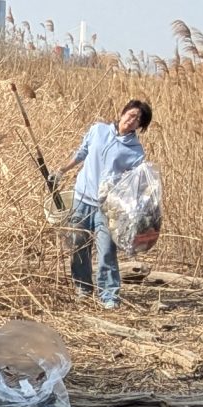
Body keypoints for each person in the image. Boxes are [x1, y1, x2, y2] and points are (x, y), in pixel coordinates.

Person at [57, 98, 152, 309]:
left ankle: (109, 296)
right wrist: (62, 170)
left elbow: (136, 182)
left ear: (140, 126)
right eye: (131, 114)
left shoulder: (135, 151)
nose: (132, 120)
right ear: (123, 112)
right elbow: (82, 152)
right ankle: (83, 288)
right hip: (82, 198)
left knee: (106, 250)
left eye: (138, 120)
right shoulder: (98, 130)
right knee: (78, 245)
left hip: (107, 207)